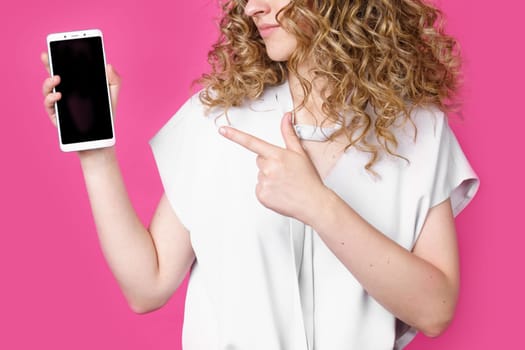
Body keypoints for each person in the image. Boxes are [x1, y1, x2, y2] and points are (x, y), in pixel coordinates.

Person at [41, 0, 479, 349]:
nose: (252, 8)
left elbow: (435, 310)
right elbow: (147, 285)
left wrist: (318, 205)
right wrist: (95, 155)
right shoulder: (217, 118)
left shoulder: (417, 129)